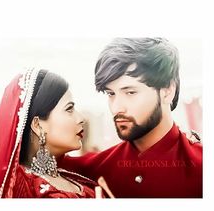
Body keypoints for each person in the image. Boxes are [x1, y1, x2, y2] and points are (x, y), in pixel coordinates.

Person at [59, 38, 202, 198]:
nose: (116, 108)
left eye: (130, 92)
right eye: (111, 94)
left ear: (167, 91)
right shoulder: (91, 170)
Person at [0, 68, 106, 198]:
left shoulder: (77, 180)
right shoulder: (23, 188)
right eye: (69, 109)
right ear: (38, 125)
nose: (81, 118)